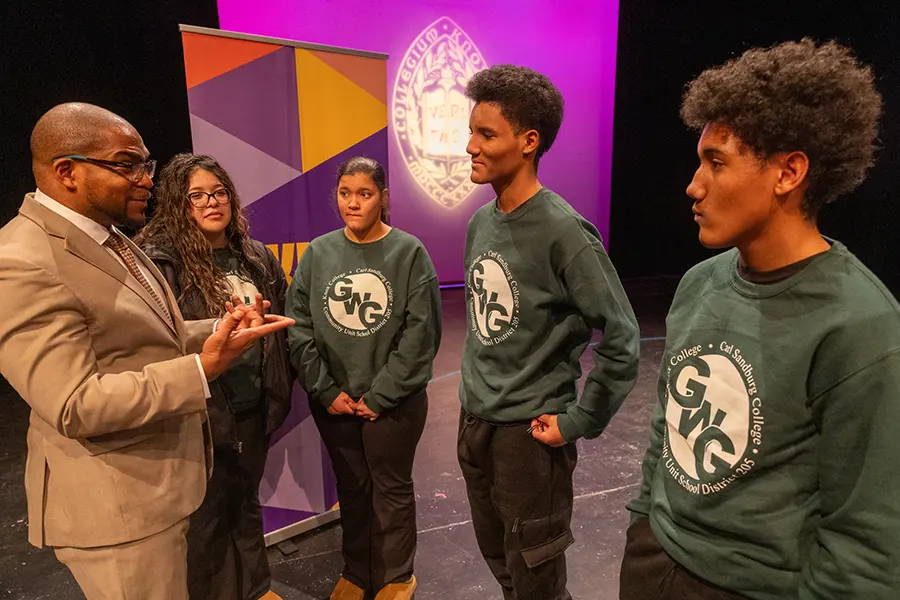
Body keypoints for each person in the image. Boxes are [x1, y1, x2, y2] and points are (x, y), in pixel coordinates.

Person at [620, 39, 900, 600]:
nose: (693, 186)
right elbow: (667, 429)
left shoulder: (862, 325)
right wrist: (643, 523)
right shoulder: (699, 283)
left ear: (788, 171)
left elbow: (866, 542)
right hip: (655, 565)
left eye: (716, 162)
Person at [0, 103, 293, 600]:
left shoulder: (109, 237)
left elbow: (151, 334)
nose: (145, 180)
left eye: (146, 165)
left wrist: (218, 329)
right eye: (125, 164)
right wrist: (201, 370)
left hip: (158, 489)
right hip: (118, 512)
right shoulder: (22, 261)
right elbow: (75, 403)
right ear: (66, 171)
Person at [458, 64, 641, 600]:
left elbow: (622, 335)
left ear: (528, 142)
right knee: (502, 564)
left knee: (537, 579)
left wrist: (580, 420)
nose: (470, 145)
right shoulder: (479, 223)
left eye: (486, 133)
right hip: (476, 426)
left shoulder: (565, 230)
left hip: (529, 441)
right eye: (471, 130)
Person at [136, 153, 292, 600]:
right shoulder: (161, 262)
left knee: (245, 501)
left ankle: (258, 589)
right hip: (200, 409)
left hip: (253, 403)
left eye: (219, 192)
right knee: (204, 520)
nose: (211, 203)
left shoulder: (256, 256)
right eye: (196, 196)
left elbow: (277, 325)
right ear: (178, 206)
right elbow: (156, 342)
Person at [286, 157, 441, 600]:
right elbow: (298, 326)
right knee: (352, 490)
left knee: (390, 488)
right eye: (344, 193)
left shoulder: (409, 252)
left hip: (394, 403)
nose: (353, 203)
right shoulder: (318, 252)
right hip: (334, 403)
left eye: (364, 194)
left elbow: (421, 334)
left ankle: (396, 576)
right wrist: (326, 389)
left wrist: (382, 394)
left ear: (383, 197)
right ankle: (357, 571)